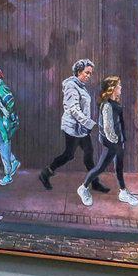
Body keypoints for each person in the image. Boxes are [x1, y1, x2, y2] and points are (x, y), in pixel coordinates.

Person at [78, 75, 138, 207]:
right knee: (100, 167)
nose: (121, 88)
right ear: (112, 89)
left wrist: (121, 139)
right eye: (119, 86)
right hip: (113, 142)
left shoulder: (115, 104)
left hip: (118, 141)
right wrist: (116, 141)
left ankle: (123, 191)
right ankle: (83, 188)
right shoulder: (107, 105)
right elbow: (107, 127)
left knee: (119, 167)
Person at [39, 60, 96, 190]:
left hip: (82, 128)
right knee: (69, 154)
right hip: (73, 128)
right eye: (87, 73)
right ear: (78, 72)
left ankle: (95, 181)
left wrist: (86, 124)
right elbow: (74, 109)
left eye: (90, 74)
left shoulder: (81, 86)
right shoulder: (72, 86)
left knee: (89, 152)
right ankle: (46, 173)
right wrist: (89, 123)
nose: (88, 76)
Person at [0, 65, 20, 187]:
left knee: (4, 150)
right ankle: (14, 161)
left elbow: (10, 102)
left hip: (4, 126)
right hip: (0, 126)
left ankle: (7, 175)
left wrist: (6, 116)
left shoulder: (1, 88)